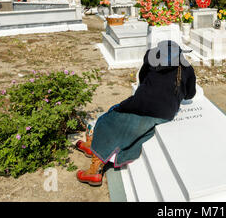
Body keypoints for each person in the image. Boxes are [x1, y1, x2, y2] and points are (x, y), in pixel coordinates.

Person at [76, 40, 197, 186]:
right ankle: (93, 146)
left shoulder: (151, 59)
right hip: (165, 112)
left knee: (109, 118)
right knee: (127, 124)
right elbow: (190, 95)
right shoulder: (186, 68)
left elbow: (142, 78)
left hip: (141, 103)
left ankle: (94, 170)